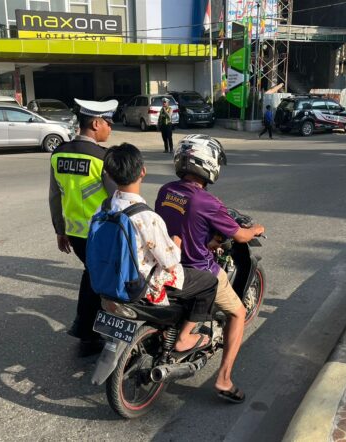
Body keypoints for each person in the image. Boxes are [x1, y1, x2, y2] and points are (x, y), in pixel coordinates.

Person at [155, 134, 264, 404]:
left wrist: (208, 240)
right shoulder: (207, 202)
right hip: (197, 270)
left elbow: (182, 226)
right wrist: (255, 230)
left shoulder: (166, 190)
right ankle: (224, 379)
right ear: (209, 164)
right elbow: (239, 236)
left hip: (167, 263)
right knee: (238, 313)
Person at [101, 143, 218, 353]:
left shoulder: (105, 207)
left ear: (108, 174)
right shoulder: (146, 217)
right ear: (143, 172)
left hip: (111, 276)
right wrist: (176, 243)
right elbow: (171, 262)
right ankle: (184, 337)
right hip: (145, 282)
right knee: (209, 282)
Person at [49, 98, 118, 356]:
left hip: (74, 233)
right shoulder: (102, 157)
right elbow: (117, 200)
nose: (110, 129)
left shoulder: (60, 153)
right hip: (100, 234)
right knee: (99, 282)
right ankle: (89, 334)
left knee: (92, 276)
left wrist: (59, 229)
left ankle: (88, 332)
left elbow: (55, 195)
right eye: (108, 123)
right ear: (96, 123)